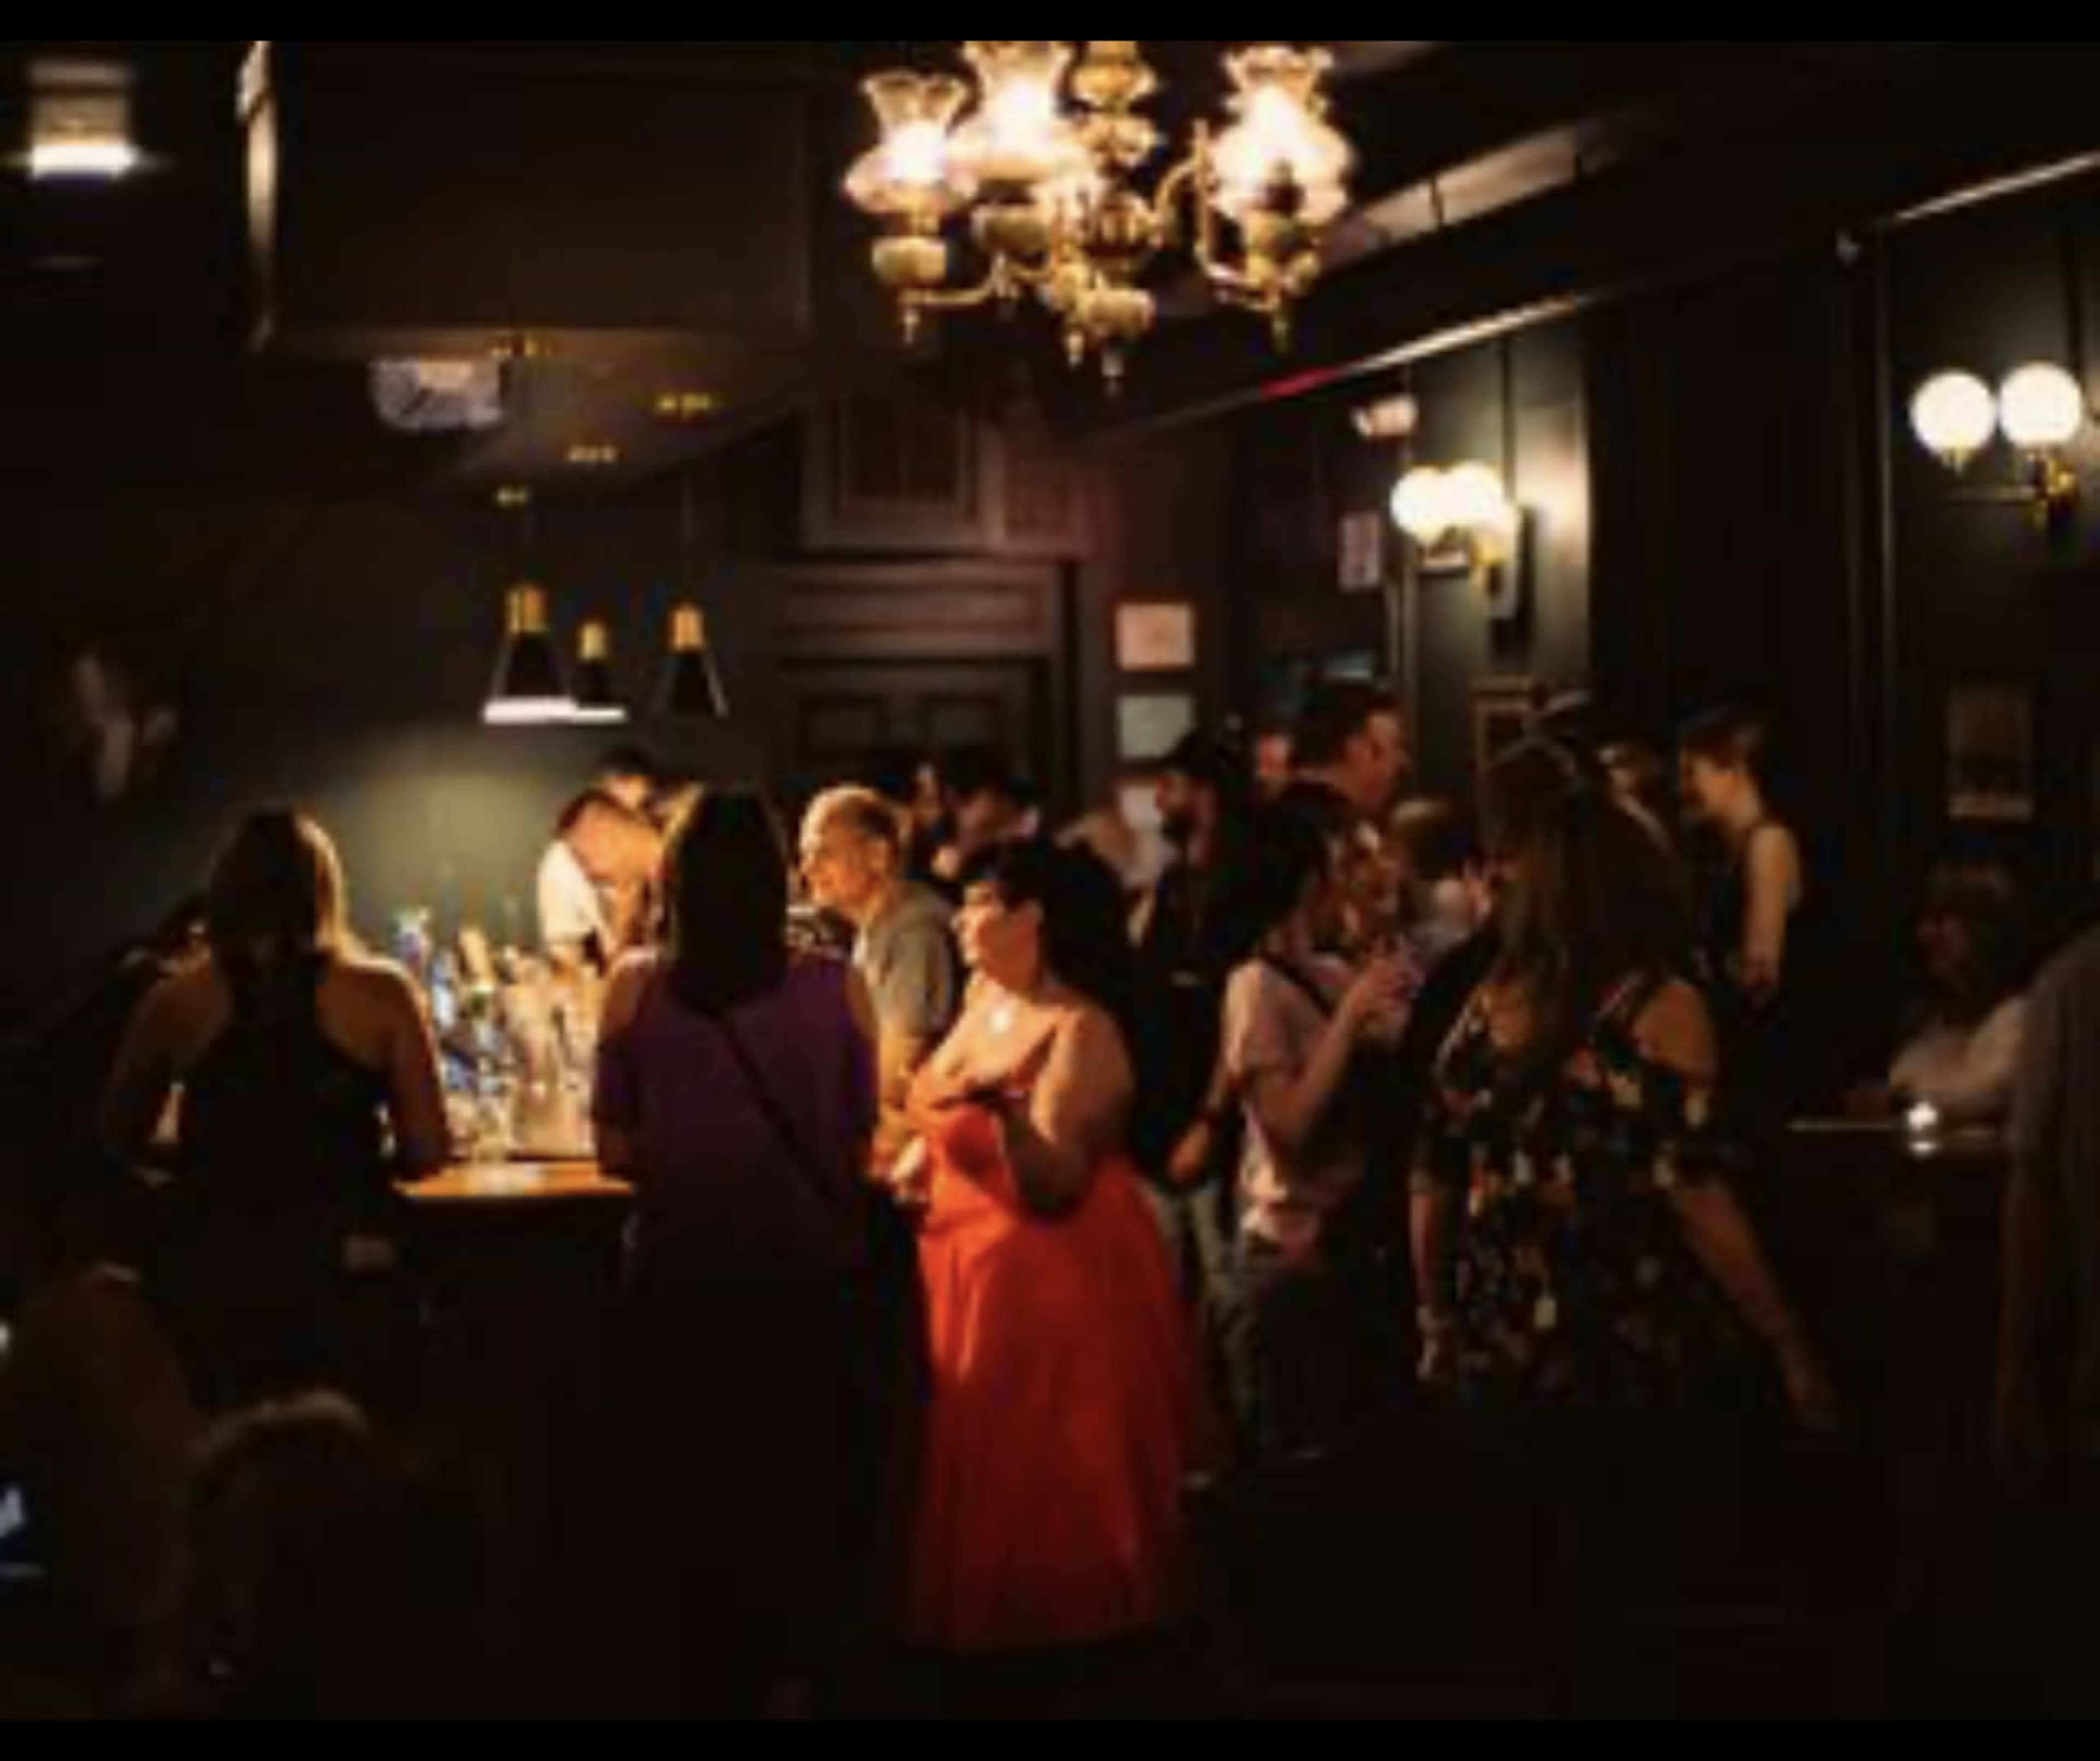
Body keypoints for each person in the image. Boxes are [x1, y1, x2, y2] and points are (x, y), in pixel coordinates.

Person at [594, 792, 883, 1714]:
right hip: (809, 1281)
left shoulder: (635, 986)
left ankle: (700, 1676)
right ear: (776, 881)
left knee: (690, 1494)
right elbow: (854, 1147)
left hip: (680, 1283)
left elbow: (613, 1150)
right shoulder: (838, 985)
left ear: (674, 882)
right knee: (801, 1493)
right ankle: (797, 1678)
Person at [899, 841, 1205, 1661]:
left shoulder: (1082, 1025)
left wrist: (1000, 1115)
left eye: (978, 903)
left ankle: (1066, 1652)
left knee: (1047, 1470)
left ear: (1032, 916)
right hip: (963, 1264)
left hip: (1049, 1276)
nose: (960, 920)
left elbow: (1056, 1182)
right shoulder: (981, 998)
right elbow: (934, 1120)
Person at [101, 812, 449, 1413]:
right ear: (325, 889)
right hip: (346, 1268)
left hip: (216, 1271)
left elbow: (114, 1136)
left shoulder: (175, 1000)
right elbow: (428, 1152)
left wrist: (204, 1155)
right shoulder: (380, 992)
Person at [1221, 805, 1415, 1465]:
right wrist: (1351, 1020)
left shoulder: (1331, 973)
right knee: (1290, 1460)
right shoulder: (1253, 987)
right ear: (1308, 884)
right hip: (1287, 1255)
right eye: (1337, 872)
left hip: (1350, 1248)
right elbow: (1289, 1128)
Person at [1129, 734, 1261, 1314]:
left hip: (1213, 1124)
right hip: (1157, 1118)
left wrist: (1209, 1119)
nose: (1158, 799)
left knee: (1227, 1294)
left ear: (1205, 795)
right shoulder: (1173, 885)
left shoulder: (1245, 889)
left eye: (1171, 784)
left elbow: (1244, 1015)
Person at [800, 787, 962, 1174]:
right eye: (804, 854)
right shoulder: (877, 926)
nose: (808, 868)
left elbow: (892, 1078)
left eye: (824, 852)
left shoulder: (914, 934)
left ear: (879, 855)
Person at [1681, 709, 1820, 1119]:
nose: (1685, 786)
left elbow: (1761, 973)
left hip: (1764, 1063)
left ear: (1735, 770)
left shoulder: (1768, 844)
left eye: (1694, 771)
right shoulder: (1729, 851)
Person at [1864, 866, 2028, 1129]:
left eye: (1942, 918)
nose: (1924, 934)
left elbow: (1989, 1095)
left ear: (1986, 929)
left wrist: (1900, 1104)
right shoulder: (1929, 1030)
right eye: (1926, 920)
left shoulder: (2020, 1020)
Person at [536, 789, 661, 978]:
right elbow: (623, 980)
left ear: (612, 835)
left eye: (584, 860)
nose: (588, 876)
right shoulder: (638, 891)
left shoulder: (683, 875)